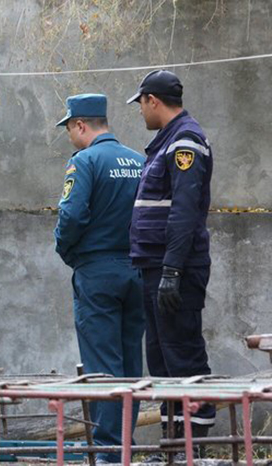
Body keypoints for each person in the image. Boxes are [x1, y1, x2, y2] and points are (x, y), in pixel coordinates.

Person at [127, 70, 215, 457]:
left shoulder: (185, 141)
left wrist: (173, 271)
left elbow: (184, 210)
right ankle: (173, 445)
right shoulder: (165, 143)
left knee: (183, 356)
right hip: (155, 267)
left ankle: (190, 449)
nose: (141, 112)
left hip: (173, 268)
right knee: (162, 360)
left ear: (153, 101)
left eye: (141, 104)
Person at [54, 94, 145, 464]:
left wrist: (66, 251)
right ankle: (126, 443)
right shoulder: (139, 160)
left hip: (98, 272)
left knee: (102, 363)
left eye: (69, 129)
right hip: (137, 269)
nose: (70, 137)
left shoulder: (85, 161)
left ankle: (109, 450)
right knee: (129, 361)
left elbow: (72, 216)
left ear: (80, 125)